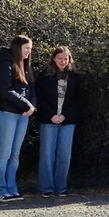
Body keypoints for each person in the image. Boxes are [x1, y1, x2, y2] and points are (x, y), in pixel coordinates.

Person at [0, 35, 36, 202]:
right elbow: (6, 90)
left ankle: (11, 188)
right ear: (18, 47)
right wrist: (27, 106)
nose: (29, 52)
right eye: (27, 48)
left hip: (22, 115)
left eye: (30, 49)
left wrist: (31, 106)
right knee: (5, 153)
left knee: (15, 154)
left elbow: (31, 89)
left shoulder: (25, 65)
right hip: (7, 113)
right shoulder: (5, 63)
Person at [36, 46, 82, 198]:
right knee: (47, 154)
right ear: (54, 59)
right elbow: (40, 99)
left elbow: (78, 100)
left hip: (67, 121)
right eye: (60, 58)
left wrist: (65, 116)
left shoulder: (75, 77)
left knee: (64, 154)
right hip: (48, 120)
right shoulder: (44, 76)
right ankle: (46, 187)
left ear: (69, 59)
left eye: (65, 58)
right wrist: (51, 115)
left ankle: (61, 186)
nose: (63, 61)